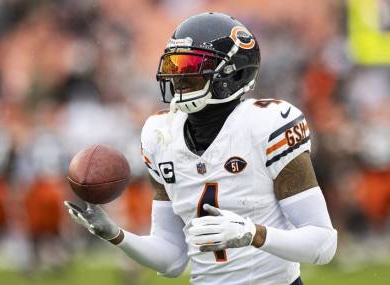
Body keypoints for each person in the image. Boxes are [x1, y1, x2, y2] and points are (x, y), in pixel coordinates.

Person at [65, 12, 337, 285]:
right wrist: (115, 234)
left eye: (192, 67)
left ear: (233, 73)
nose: (179, 77)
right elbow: (171, 258)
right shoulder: (161, 135)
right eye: (175, 65)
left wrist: (252, 233)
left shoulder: (265, 125)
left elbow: (323, 244)